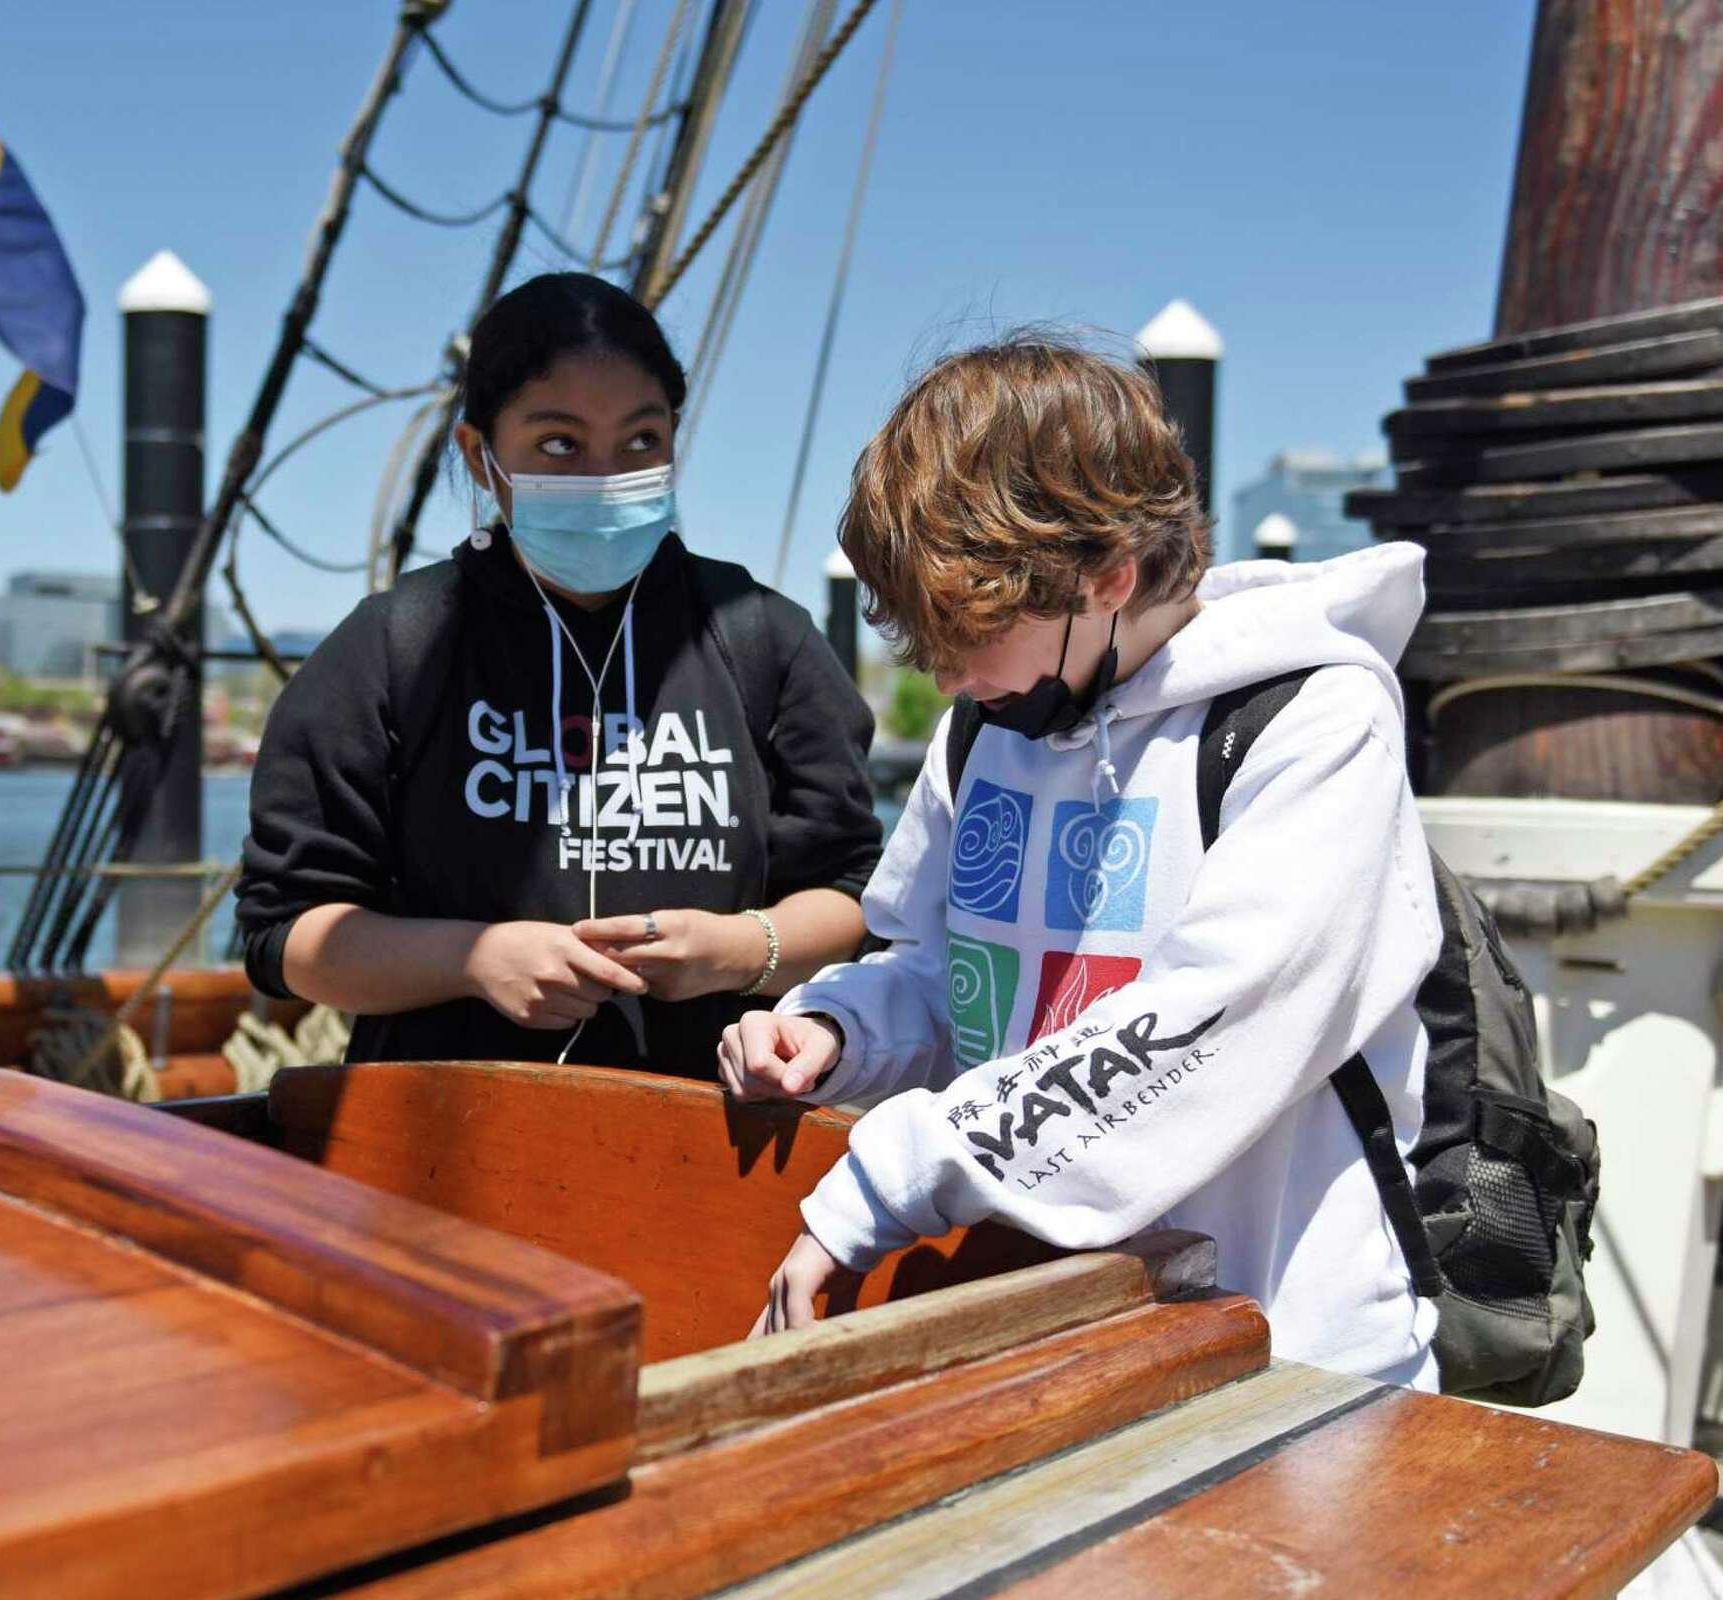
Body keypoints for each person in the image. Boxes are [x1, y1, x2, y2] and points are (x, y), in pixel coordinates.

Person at [719, 329, 1446, 1387]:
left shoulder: (1313, 723)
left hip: (1291, 1358)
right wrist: (835, 1029)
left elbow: (1209, 1021)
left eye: (968, 631)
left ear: (1107, 576)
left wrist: (890, 1178)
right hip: (1046, 1335)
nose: (951, 677)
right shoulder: (987, 732)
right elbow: (951, 975)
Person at [236, 271, 881, 1076]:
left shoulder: (763, 637)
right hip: (443, 1141)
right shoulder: (393, 645)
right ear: (481, 456)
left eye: (641, 440)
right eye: (559, 444)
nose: (605, 476)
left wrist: (741, 948)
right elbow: (286, 935)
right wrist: (474, 959)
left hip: (715, 1136)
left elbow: (857, 898)